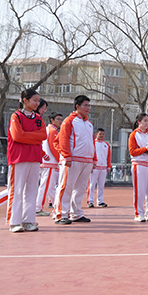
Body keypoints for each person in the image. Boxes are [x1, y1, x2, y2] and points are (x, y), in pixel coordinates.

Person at [4, 89, 47, 232]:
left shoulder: (38, 118)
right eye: (35, 100)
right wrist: (34, 137)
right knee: (17, 190)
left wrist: (26, 135)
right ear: (25, 100)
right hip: (19, 157)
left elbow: (43, 135)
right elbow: (17, 136)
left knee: (32, 190)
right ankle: (14, 222)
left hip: (35, 157)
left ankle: (28, 220)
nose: (37, 103)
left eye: (38, 100)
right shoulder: (16, 116)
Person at [54, 95, 96, 225]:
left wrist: (94, 159)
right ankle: (61, 214)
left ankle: (76, 213)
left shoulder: (89, 124)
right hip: (73, 159)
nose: (88, 108)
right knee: (66, 186)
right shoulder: (69, 121)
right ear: (77, 106)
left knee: (81, 188)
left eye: (89, 105)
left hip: (87, 160)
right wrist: (66, 156)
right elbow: (62, 140)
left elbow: (92, 142)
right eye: (85, 105)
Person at [129, 113, 148, 222]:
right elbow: (132, 151)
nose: (147, 123)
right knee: (140, 190)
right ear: (139, 122)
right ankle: (139, 214)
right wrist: (146, 148)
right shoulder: (134, 134)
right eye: (144, 121)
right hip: (139, 164)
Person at [36, 110, 62, 216]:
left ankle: (58, 206)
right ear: (52, 120)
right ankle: (38, 208)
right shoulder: (53, 131)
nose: (60, 121)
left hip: (46, 161)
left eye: (61, 119)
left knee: (50, 187)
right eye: (58, 119)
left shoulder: (46, 129)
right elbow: (54, 147)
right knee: (45, 186)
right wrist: (60, 160)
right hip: (50, 162)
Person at [88, 128, 111, 208]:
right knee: (92, 185)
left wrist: (108, 166)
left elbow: (108, 156)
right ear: (96, 134)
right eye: (100, 134)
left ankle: (100, 201)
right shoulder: (93, 143)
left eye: (103, 134)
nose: (101, 135)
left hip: (103, 168)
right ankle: (90, 201)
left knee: (101, 186)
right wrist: (90, 165)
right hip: (95, 167)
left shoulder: (106, 145)